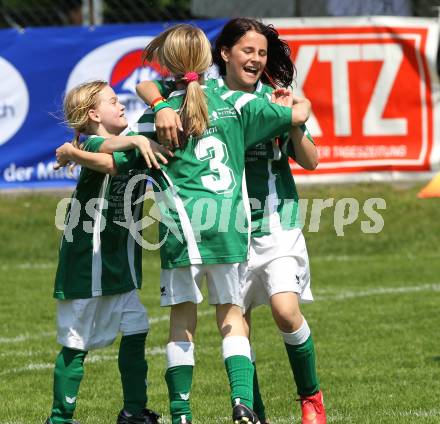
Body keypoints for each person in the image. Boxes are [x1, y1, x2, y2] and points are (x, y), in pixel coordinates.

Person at [57, 23, 311, 424]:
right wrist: (294, 108)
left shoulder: (155, 120)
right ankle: (241, 402)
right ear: (211, 59)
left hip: (181, 231)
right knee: (231, 317)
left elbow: (108, 162)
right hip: (229, 227)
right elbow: (296, 113)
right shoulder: (233, 103)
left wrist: (75, 149)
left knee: (183, 324)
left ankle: (182, 414)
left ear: (167, 65)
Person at [135, 18, 325, 424]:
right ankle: (252, 409)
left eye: (262, 53)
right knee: (239, 322)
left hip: (274, 220)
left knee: (284, 310)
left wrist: (292, 115)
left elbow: (311, 158)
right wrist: (161, 103)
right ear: (223, 54)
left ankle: (311, 397)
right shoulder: (212, 95)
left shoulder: (269, 100)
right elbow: (154, 89)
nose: (257, 59)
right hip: (234, 227)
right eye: (248, 51)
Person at [47, 80, 168, 424]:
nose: (121, 105)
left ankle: (133, 411)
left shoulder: (131, 142)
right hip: (88, 261)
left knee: (136, 327)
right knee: (76, 342)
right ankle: (59, 418)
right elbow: (108, 159)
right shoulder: (97, 144)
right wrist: (76, 152)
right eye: (113, 101)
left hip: (119, 262)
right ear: (93, 114)